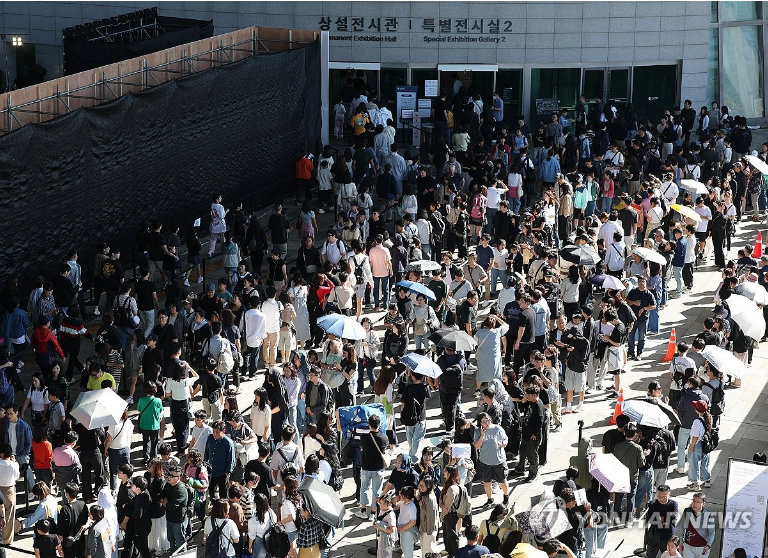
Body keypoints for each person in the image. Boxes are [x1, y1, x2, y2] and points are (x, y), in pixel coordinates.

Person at [473, 412, 510, 507]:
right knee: (486, 482)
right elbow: (477, 446)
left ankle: (506, 497)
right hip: (485, 461)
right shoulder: (477, 431)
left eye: (488, 420)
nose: (487, 423)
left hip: (498, 460)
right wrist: (482, 435)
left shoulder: (497, 428)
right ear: (480, 423)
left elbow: (505, 439)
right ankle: (490, 499)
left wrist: (504, 443)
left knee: (502, 481)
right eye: (484, 422)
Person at [356, 414, 389, 520]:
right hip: (378, 469)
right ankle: (373, 512)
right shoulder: (384, 438)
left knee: (364, 489)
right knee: (377, 491)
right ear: (379, 424)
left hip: (366, 467)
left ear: (368, 425)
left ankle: (363, 510)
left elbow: (362, 448)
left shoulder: (364, 437)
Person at [513, 385, 544, 481]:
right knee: (522, 451)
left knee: (532, 455)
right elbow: (521, 407)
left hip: (532, 436)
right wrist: (523, 401)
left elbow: (540, 421)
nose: (526, 396)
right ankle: (520, 468)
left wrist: (535, 433)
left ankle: (533, 473)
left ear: (535, 395)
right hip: (525, 433)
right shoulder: (529, 402)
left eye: (528, 395)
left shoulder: (538, 405)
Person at [398, 369, 431, 460]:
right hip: (420, 416)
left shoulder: (408, 388)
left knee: (409, 435)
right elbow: (429, 395)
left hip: (409, 415)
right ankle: (413, 456)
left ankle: (411, 453)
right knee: (418, 437)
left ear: (413, 377)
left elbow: (403, 403)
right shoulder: (425, 388)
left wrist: (402, 413)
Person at [675, 493, 715, 558]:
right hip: (688, 546)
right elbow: (681, 527)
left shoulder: (708, 515)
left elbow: (712, 532)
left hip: (703, 547)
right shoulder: (687, 511)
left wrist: (708, 545)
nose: (695, 504)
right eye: (694, 501)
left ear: (703, 504)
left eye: (698, 502)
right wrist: (681, 543)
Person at [644, 485, 679, 558]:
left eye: (664, 497)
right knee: (650, 555)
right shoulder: (653, 504)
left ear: (669, 494)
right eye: (659, 496)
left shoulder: (673, 504)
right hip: (654, 535)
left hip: (668, 536)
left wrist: (660, 518)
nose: (661, 499)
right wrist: (666, 519)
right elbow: (651, 519)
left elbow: (673, 519)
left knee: (668, 555)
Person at [205, 420, 236, 501]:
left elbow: (232, 460)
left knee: (223, 495)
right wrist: (205, 465)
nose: (215, 434)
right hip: (211, 472)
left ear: (223, 431)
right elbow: (207, 452)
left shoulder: (228, 443)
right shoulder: (210, 438)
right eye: (213, 431)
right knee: (211, 491)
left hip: (222, 473)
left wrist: (227, 472)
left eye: (217, 432)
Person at [686, 400, 713, 491]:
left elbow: (695, 436)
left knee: (693, 464)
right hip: (706, 444)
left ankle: (695, 484)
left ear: (697, 410)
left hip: (697, 445)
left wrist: (691, 446)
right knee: (705, 462)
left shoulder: (697, 422)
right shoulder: (709, 417)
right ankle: (707, 481)